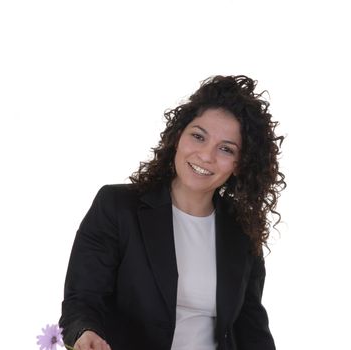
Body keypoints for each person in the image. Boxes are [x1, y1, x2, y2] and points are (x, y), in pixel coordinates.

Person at [59, 75, 286, 350]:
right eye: (198, 136)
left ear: (240, 164)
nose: (206, 155)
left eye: (225, 149)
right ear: (178, 137)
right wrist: (85, 332)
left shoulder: (241, 230)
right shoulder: (118, 206)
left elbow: (251, 327)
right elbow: (82, 300)